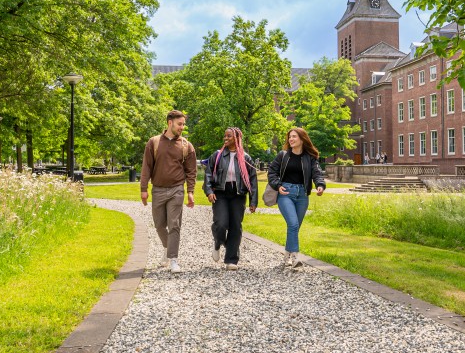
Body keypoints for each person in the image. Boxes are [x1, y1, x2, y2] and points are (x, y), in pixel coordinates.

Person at [140, 110, 197, 273]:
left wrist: (190, 191)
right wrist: (144, 189)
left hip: (177, 190)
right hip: (157, 190)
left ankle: (173, 260)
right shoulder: (154, 142)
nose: (182, 127)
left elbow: (191, 171)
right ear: (169, 123)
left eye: (183, 124)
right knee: (159, 225)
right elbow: (147, 166)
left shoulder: (187, 145)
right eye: (180, 124)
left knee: (174, 225)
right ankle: (167, 247)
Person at [267, 127, 326, 268]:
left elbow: (317, 173)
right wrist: (277, 185)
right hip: (286, 193)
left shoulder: (310, 157)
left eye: (294, 136)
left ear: (302, 139)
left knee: (294, 227)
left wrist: (320, 185)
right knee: (293, 224)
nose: (291, 139)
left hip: (302, 195)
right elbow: (272, 172)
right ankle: (295, 258)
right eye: (290, 137)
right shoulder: (283, 155)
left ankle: (287, 255)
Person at [203, 127, 258, 270]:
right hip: (220, 193)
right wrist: (209, 191)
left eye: (229, 136)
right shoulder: (218, 155)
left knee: (235, 226)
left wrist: (253, 201)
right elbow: (208, 175)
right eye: (225, 136)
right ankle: (218, 242)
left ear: (237, 138)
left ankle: (231, 259)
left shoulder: (245, 158)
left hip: (238, 195)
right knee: (221, 224)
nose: (225, 138)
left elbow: (252, 181)